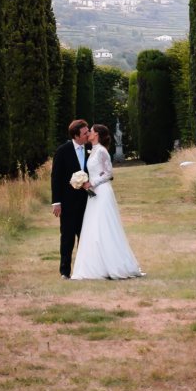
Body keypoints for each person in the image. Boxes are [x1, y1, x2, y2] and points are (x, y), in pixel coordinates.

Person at [71, 124, 144, 280]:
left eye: (90, 130)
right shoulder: (94, 150)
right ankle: (97, 266)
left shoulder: (102, 151)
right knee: (93, 227)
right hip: (94, 194)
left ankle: (113, 264)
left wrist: (92, 182)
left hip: (102, 192)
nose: (88, 132)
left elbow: (109, 173)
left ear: (96, 134)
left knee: (103, 225)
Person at [50, 119, 92, 278]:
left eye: (88, 131)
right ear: (76, 135)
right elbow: (56, 177)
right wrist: (56, 202)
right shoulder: (63, 150)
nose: (88, 134)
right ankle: (65, 271)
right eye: (85, 133)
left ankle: (85, 269)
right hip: (68, 203)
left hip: (88, 202)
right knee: (67, 237)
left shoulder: (91, 148)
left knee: (86, 236)